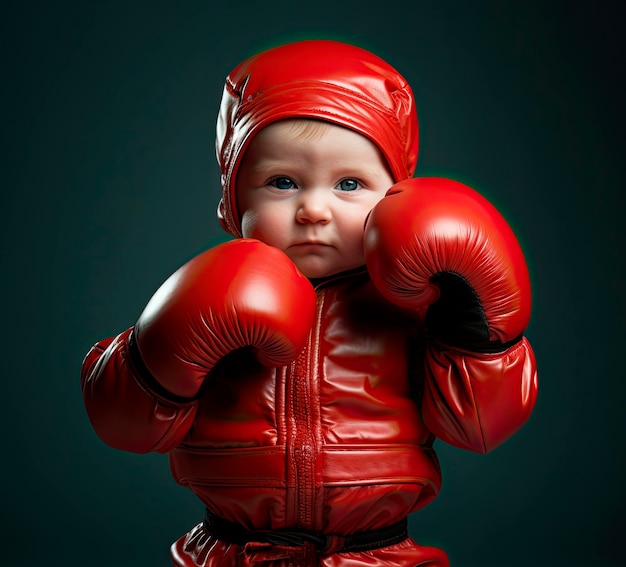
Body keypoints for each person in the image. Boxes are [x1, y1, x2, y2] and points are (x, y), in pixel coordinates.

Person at [81, 39, 538, 566]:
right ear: (235, 198)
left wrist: (470, 328)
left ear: (396, 197)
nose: (314, 209)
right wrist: (155, 354)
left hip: (379, 554)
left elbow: (481, 426)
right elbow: (124, 424)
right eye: (282, 182)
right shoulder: (211, 292)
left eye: (349, 183)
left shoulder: (414, 306)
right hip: (233, 552)